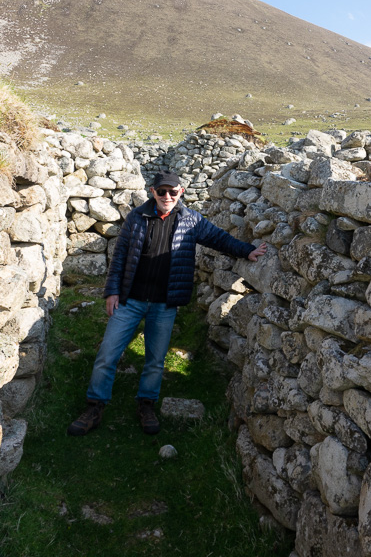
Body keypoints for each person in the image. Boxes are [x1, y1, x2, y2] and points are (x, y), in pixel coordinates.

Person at [67, 170, 266, 436]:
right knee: (107, 354)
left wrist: (247, 250)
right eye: (162, 191)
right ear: (153, 192)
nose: (167, 196)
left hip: (164, 304)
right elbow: (119, 258)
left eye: (173, 191)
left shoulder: (191, 220)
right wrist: (112, 292)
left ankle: (146, 404)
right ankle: (95, 407)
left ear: (181, 192)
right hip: (131, 300)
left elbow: (219, 239)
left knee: (156, 360)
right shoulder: (136, 218)